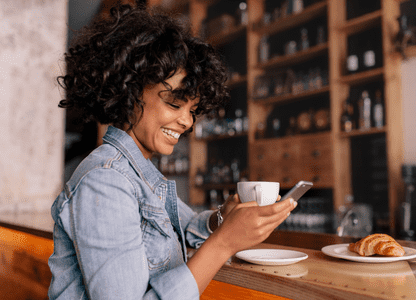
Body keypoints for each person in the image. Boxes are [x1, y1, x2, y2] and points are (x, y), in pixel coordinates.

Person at [48, 4, 297, 300]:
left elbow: (186, 227)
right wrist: (224, 244)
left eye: (192, 110)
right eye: (174, 104)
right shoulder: (106, 181)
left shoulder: (140, 173)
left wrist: (221, 219)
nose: (187, 121)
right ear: (129, 92)